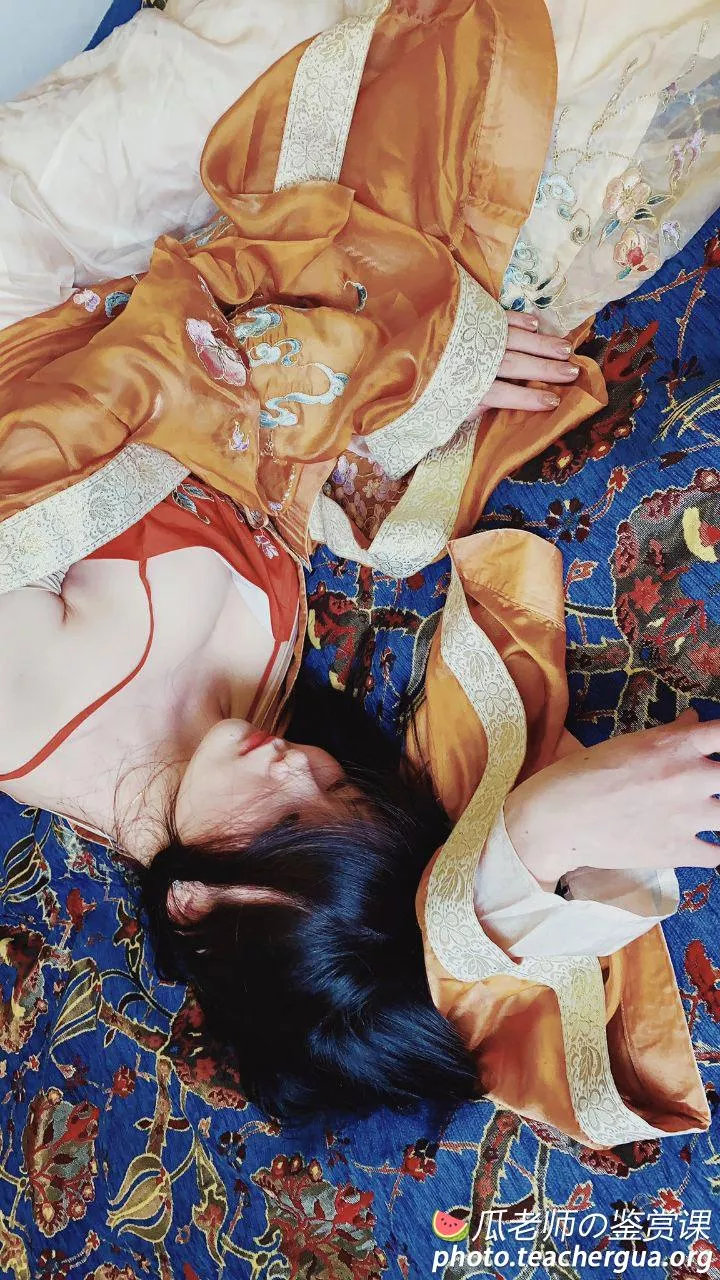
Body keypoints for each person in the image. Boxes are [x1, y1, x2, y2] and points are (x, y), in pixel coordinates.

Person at [0, 0, 718, 1147]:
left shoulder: (33, 708)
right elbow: (448, 946)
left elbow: (90, 406)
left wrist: (390, 358)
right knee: (562, 179)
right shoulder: (253, 767)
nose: (302, 765)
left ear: (191, 901)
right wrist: (518, 861)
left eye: (285, 820)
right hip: (195, 291)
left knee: (288, 44)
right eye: (335, 793)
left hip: (27, 281)